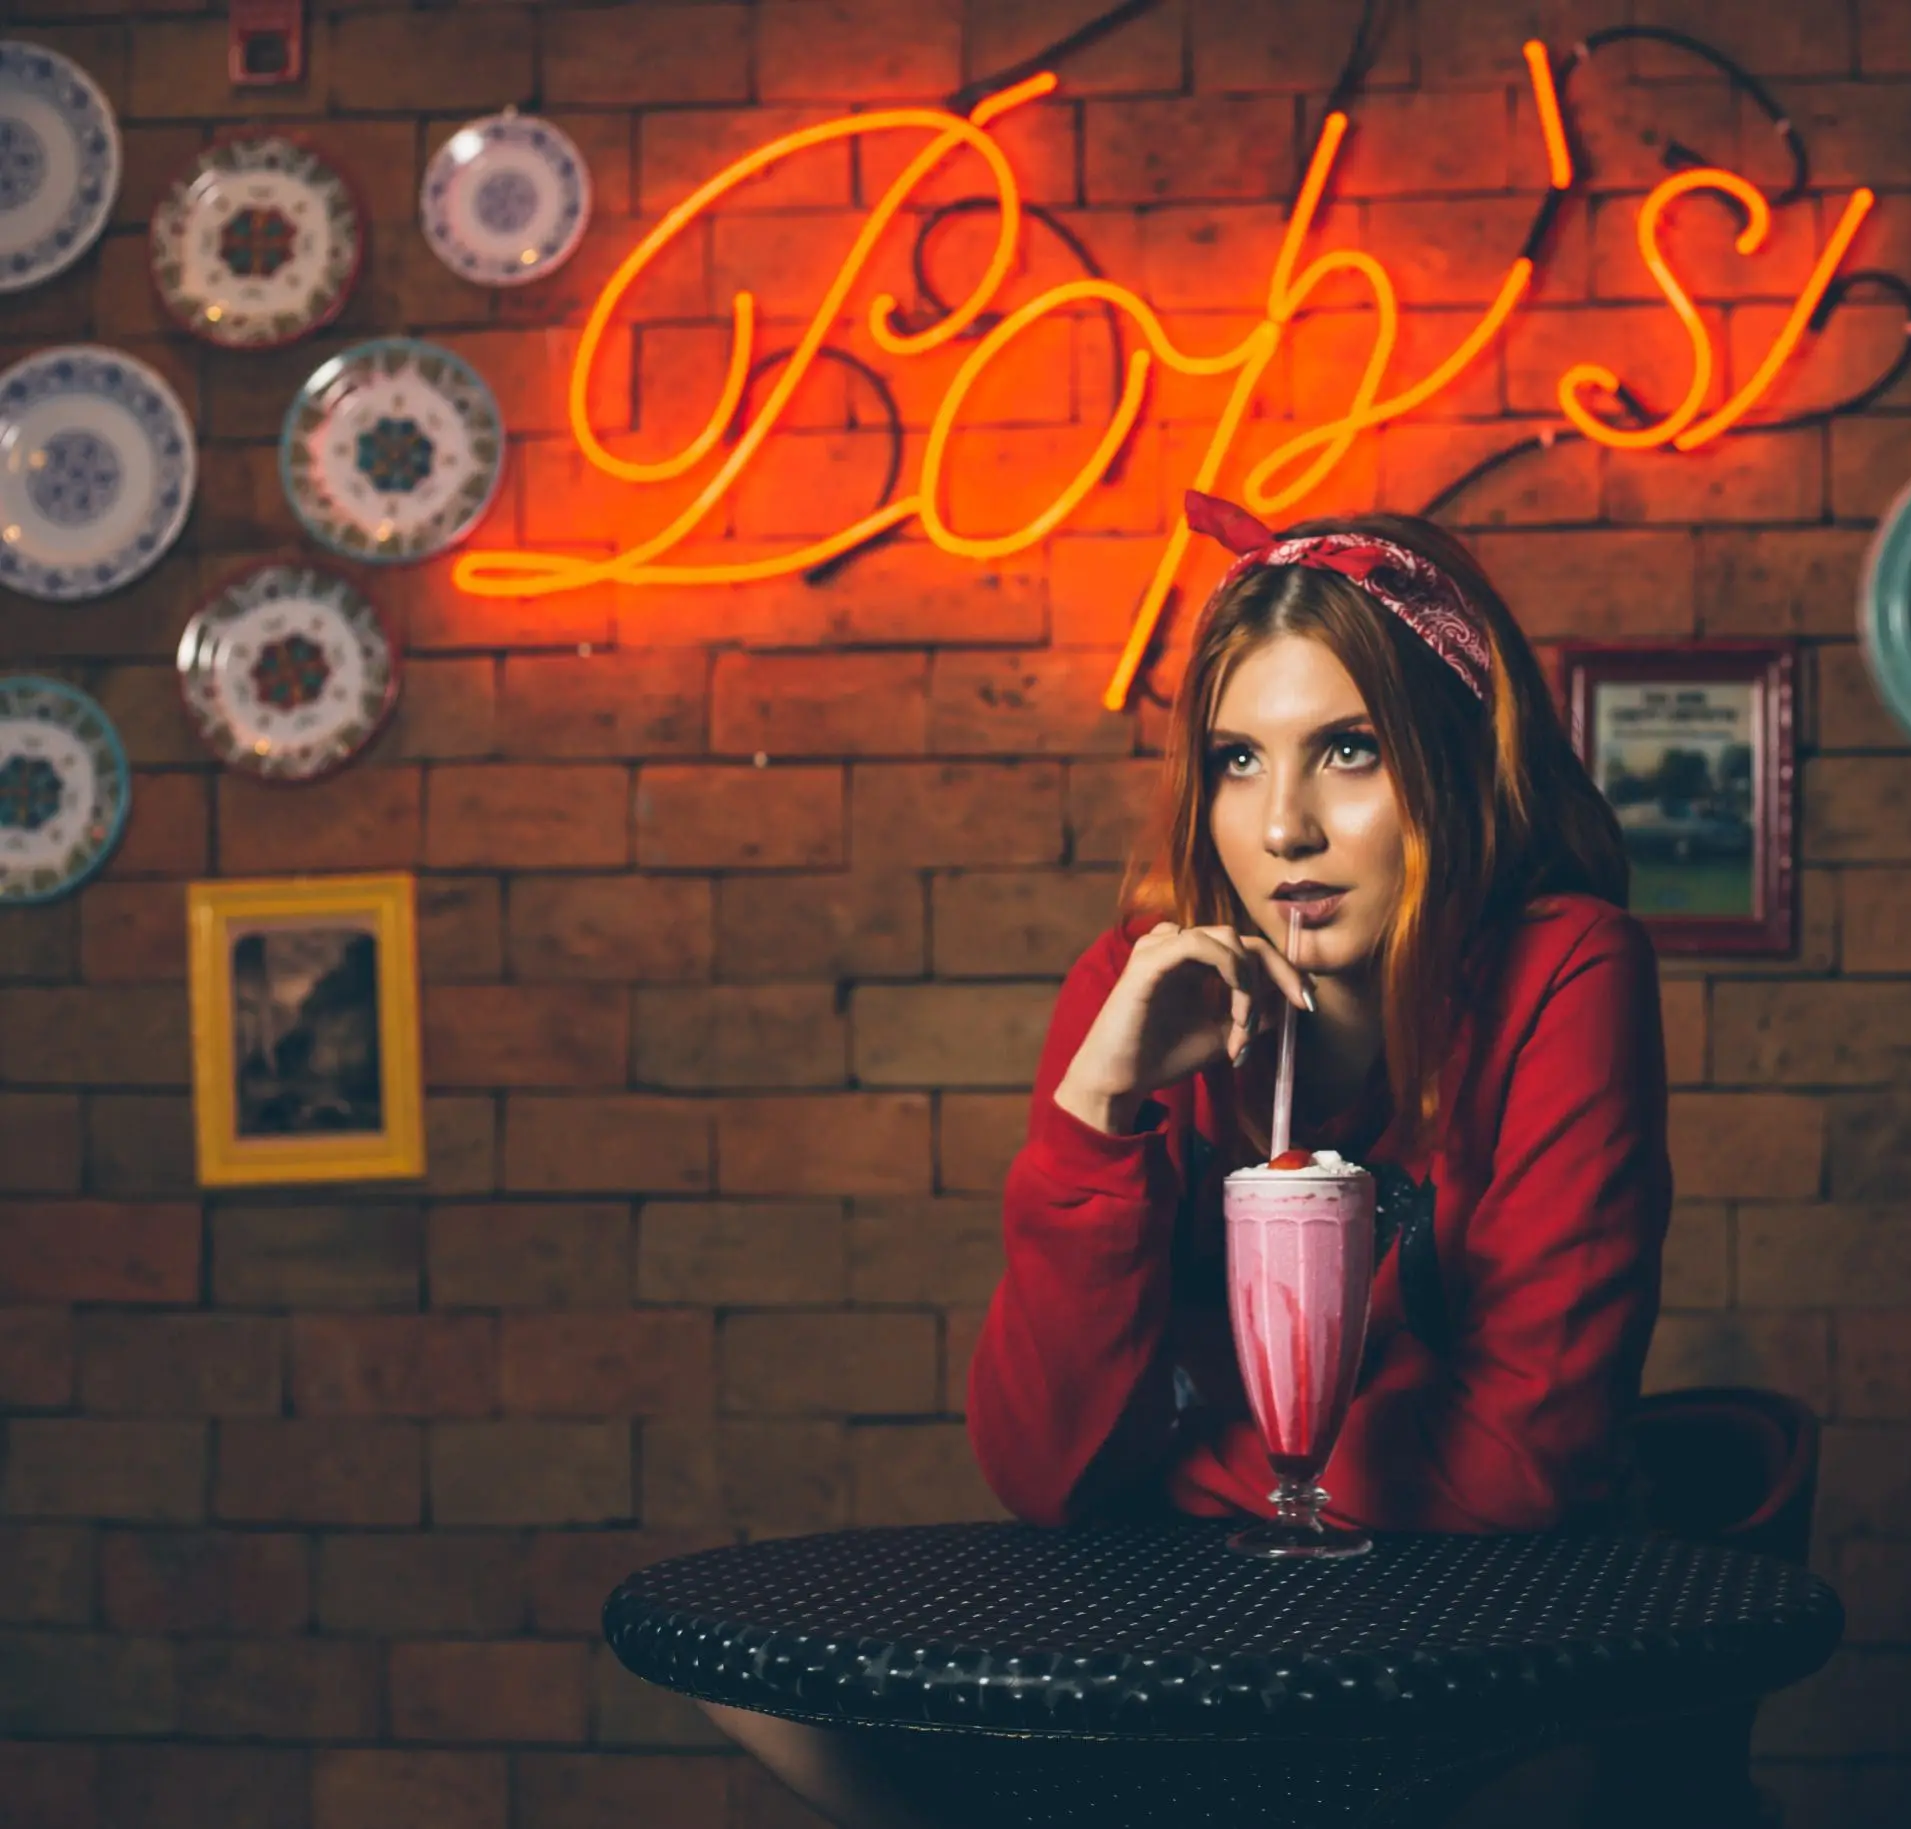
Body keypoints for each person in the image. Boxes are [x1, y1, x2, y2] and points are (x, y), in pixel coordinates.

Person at [704, 494, 1674, 1826]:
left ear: (1450, 761)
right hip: (1195, 1644)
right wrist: (1097, 1110)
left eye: (1348, 751)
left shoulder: (1563, 970)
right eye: (1236, 760)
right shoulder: (1140, 989)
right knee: (764, 1693)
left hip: (1478, 1657)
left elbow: (1522, 1464)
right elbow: (1045, 1472)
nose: (1283, 828)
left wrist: (1182, 1466)